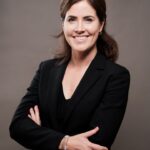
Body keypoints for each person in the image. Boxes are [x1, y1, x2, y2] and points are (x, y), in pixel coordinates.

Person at [9, 0, 130, 150]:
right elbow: (17, 126)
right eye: (72, 19)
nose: (79, 28)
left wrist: (40, 134)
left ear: (101, 25)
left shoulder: (116, 76)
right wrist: (64, 142)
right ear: (63, 24)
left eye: (88, 19)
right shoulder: (46, 69)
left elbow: (94, 145)